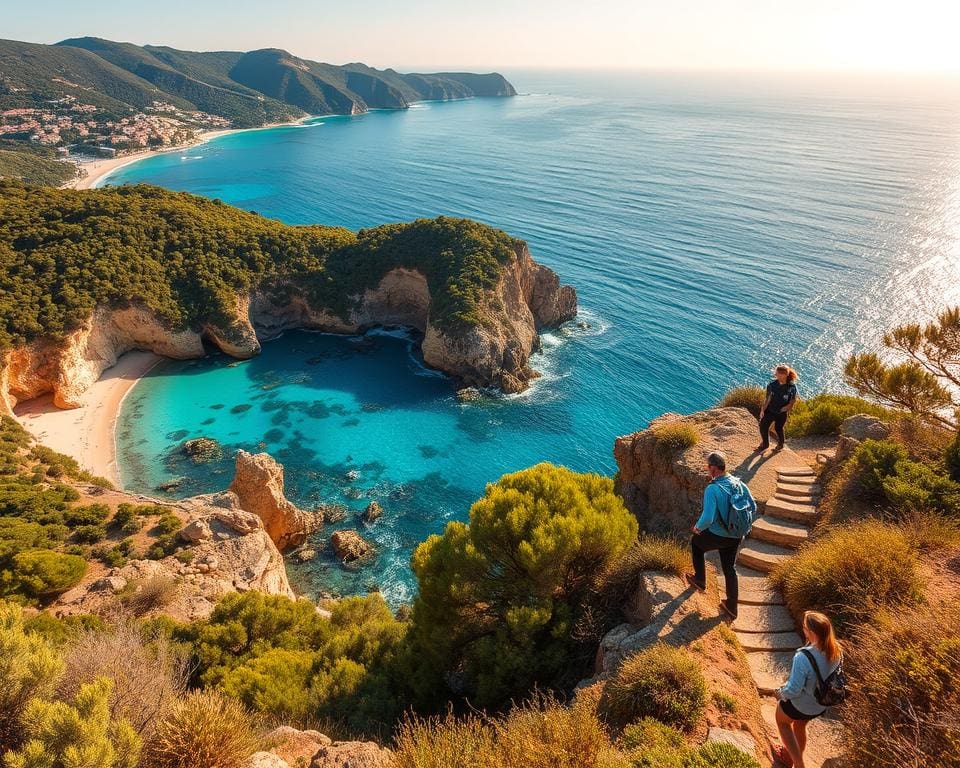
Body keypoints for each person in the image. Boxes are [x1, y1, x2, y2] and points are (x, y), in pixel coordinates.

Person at [685, 451, 757, 620]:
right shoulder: (738, 483)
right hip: (737, 534)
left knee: (696, 543)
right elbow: (752, 506)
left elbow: (708, 517)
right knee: (729, 568)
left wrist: (697, 528)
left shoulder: (713, 488)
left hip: (719, 534)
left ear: (714, 468)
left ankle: (700, 580)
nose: (707, 469)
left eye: (708, 466)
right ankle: (732, 607)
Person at [773, 611, 842, 768]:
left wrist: (780, 693)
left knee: (782, 720)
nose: (803, 629)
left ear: (811, 632)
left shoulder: (803, 657)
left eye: (804, 627)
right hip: (820, 704)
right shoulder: (837, 650)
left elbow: (793, 690)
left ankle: (798, 764)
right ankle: (789, 757)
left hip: (801, 705)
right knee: (799, 724)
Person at [758, 364, 799, 452]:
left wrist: (786, 408)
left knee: (778, 428)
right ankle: (765, 444)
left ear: (785, 374)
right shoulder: (772, 385)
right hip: (770, 410)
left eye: (778, 373)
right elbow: (768, 398)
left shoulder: (792, 387)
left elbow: (793, 400)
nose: (776, 375)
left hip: (782, 412)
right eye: (776, 373)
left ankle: (780, 444)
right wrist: (762, 410)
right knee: (763, 426)